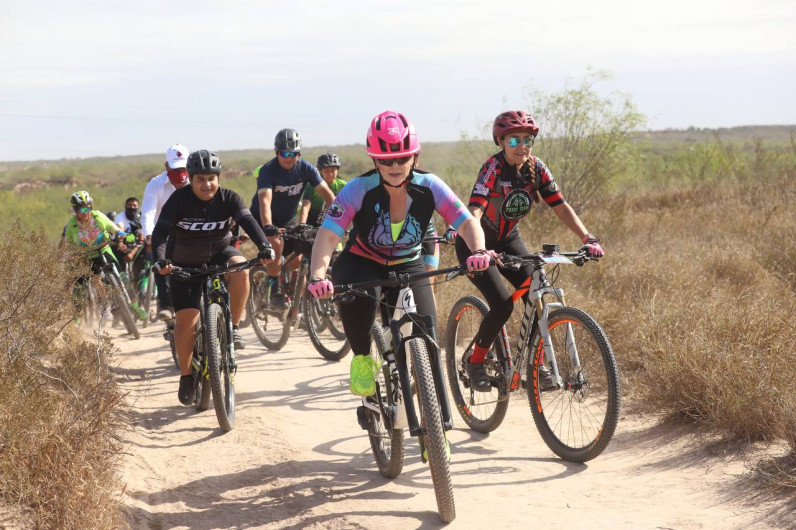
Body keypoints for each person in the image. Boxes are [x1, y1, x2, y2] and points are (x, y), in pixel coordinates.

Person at [308, 110, 491, 397]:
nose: (395, 165)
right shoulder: (358, 188)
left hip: (408, 263)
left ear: (414, 157)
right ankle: (362, 359)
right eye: (386, 160)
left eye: (402, 158)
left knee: (428, 342)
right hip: (361, 262)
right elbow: (329, 234)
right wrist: (318, 275)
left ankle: (433, 421)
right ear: (375, 160)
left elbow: (467, 222)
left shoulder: (429, 185)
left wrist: (478, 249)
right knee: (356, 303)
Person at [455, 110, 604, 392]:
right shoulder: (492, 168)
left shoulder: (537, 167)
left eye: (527, 140)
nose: (521, 146)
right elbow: (475, 209)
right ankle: (475, 361)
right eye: (514, 141)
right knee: (501, 303)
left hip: (509, 239)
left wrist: (587, 237)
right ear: (501, 142)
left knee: (536, 293)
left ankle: (537, 365)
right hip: (474, 243)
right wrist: (479, 249)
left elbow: (560, 205)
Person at [151, 150, 275, 406]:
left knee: (241, 268)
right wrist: (161, 260)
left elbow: (248, 220)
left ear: (218, 178)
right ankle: (186, 376)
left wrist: (264, 246)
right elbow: (161, 231)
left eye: (212, 178)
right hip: (184, 261)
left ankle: (235, 328)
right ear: (191, 179)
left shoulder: (229, 198)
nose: (207, 184)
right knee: (186, 321)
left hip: (220, 253)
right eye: (200, 179)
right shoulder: (179, 201)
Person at [249, 129, 335, 309]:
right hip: (263, 218)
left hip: (288, 218)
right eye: (285, 154)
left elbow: (328, 195)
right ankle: (274, 290)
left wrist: (341, 217)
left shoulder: (306, 168)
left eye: (294, 154)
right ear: (277, 152)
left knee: (299, 252)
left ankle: (294, 293)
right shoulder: (268, 170)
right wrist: (269, 226)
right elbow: (265, 202)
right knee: (275, 244)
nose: (289, 158)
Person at [141, 144, 190, 321]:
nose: (180, 174)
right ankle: (165, 304)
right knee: (160, 258)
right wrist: (149, 235)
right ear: (166, 166)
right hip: (163, 232)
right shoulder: (156, 184)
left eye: (184, 168)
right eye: (176, 169)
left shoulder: (197, 182)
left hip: (190, 232)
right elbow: (148, 212)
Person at [299, 152, 347, 227]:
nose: (330, 174)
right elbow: (306, 205)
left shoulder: (344, 185)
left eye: (333, 170)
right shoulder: (312, 185)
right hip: (311, 224)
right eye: (326, 171)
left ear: (337, 170)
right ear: (320, 171)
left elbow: (350, 207)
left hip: (332, 224)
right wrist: (302, 224)